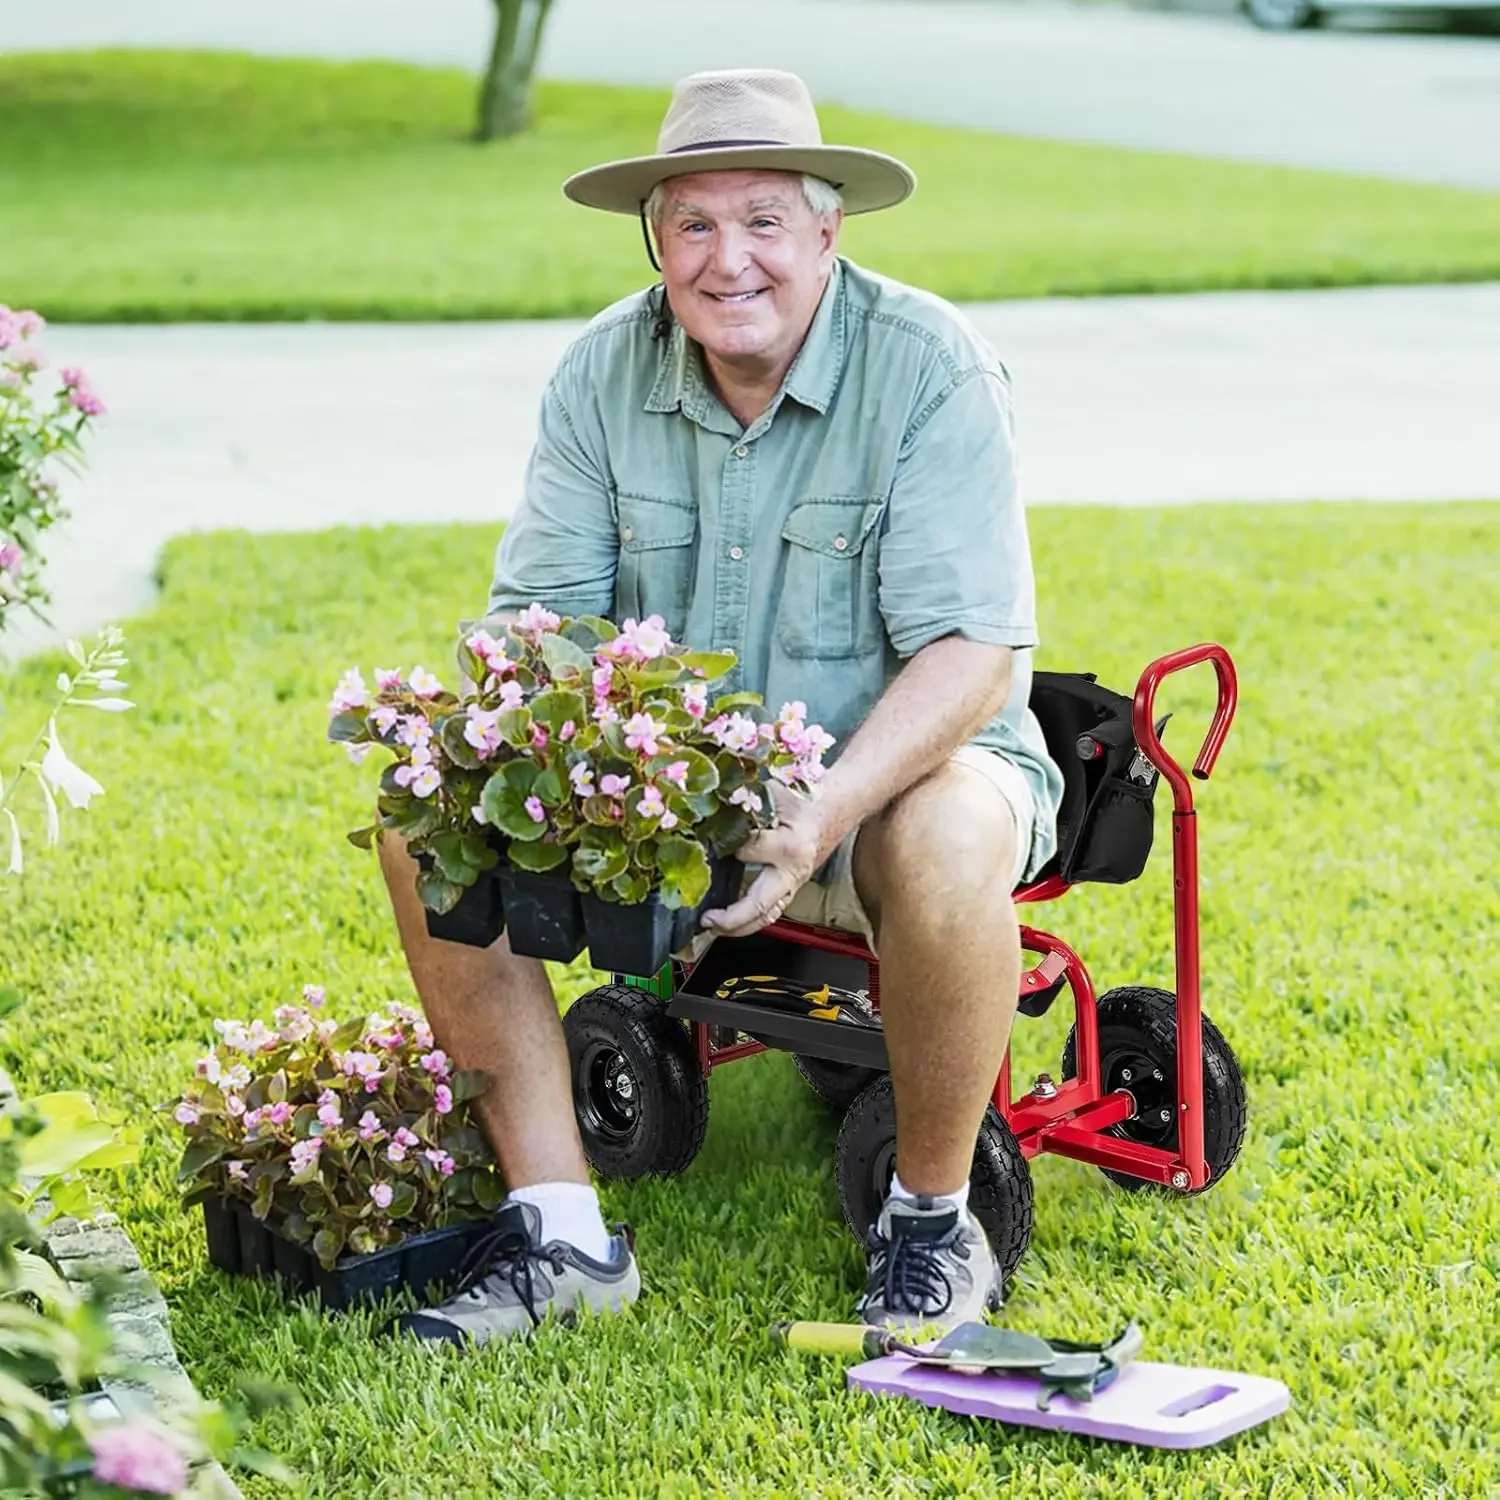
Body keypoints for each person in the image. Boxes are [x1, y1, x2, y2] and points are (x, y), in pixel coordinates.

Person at [381, 68, 1065, 1347]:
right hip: (683, 790)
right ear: (655, 241)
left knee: (943, 837)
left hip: (898, 776)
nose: (727, 259)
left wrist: (824, 810)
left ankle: (930, 1225)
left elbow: (974, 655)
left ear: (827, 231)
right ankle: (564, 1236)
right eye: (693, 224)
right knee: (423, 817)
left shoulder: (929, 367)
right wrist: (545, 758)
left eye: (762, 219)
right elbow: (538, 621)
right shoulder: (601, 372)